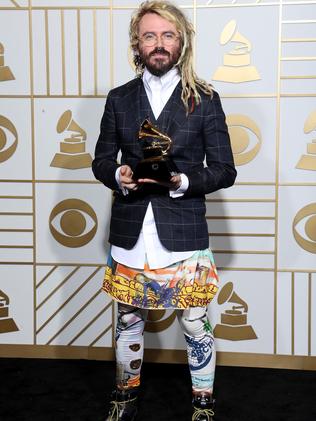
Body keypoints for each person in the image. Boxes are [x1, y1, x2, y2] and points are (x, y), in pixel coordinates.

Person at [92, 1, 236, 420]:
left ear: (182, 42)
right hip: (130, 233)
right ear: (137, 44)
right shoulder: (119, 99)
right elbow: (100, 160)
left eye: (168, 35)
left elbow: (225, 170)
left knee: (195, 325)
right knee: (129, 321)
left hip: (183, 234)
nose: (159, 44)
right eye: (150, 35)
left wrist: (183, 182)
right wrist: (118, 174)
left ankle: (203, 403)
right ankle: (125, 397)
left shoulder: (205, 99)